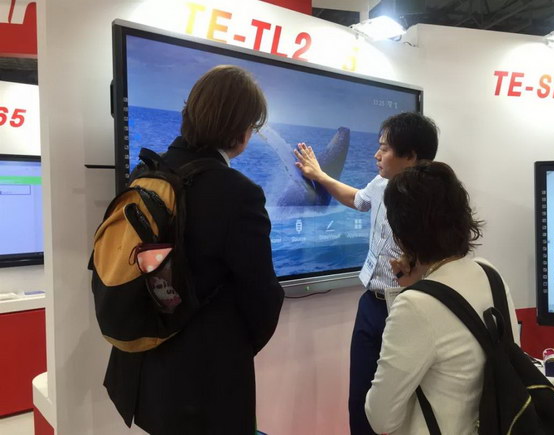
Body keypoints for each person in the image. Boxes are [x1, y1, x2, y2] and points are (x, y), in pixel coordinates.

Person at [104, 65, 285, 434]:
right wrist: (234, 349)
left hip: (142, 369)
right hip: (203, 381)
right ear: (241, 130)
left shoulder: (145, 173)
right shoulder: (238, 192)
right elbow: (262, 295)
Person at [293, 112, 439, 435]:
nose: (376, 155)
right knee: (360, 399)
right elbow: (357, 199)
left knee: (405, 402)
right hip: (371, 303)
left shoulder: (434, 201)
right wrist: (319, 175)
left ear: (411, 156)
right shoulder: (381, 183)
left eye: (384, 149)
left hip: (406, 308)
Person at [364, 161, 520, 434]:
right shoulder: (489, 274)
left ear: (401, 236)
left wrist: (416, 289)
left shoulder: (414, 305)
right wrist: (420, 282)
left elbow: (381, 418)